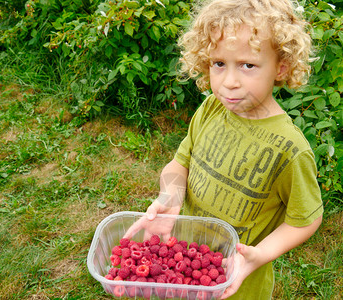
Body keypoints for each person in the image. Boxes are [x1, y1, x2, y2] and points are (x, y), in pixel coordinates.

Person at [124, 0, 323, 298]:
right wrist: (171, 196)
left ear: (281, 67)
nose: (229, 82)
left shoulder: (290, 149)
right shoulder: (210, 109)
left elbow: (305, 219)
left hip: (237, 280)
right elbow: (179, 165)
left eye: (248, 65)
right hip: (186, 269)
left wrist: (260, 254)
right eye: (219, 63)